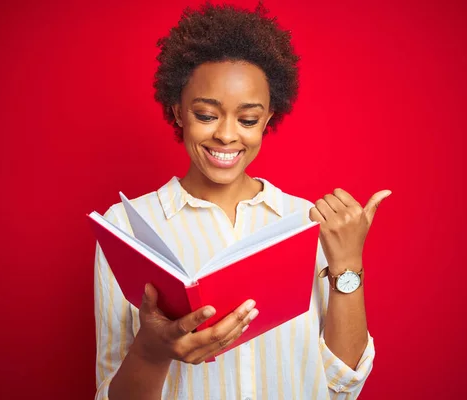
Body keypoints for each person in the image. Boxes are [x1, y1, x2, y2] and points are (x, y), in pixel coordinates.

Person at [93, 2, 390, 399]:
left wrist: (348, 264)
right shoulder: (125, 228)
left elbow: (343, 386)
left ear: (268, 120)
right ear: (177, 111)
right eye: (206, 114)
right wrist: (152, 350)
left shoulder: (308, 221)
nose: (228, 136)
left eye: (248, 120)